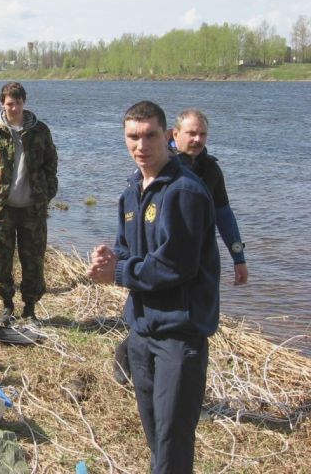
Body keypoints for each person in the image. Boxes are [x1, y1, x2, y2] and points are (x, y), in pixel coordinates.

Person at [87, 100, 220, 474]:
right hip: (142, 329)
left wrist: (119, 273)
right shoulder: (132, 190)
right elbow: (128, 251)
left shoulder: (185, 192)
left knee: (172, 439)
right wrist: (109, 260)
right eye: (133, 137)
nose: (141, 146)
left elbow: (176, 265)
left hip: (180, 332)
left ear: (169, 137)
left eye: (150, 136)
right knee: (153, 430)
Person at [0, 82, 58, 325]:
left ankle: (29, 308)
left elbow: (51, 163)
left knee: (33, 259)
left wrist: (48, 192)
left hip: (32, 208)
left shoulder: (40, 131)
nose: (14, 108)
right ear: (2, 104)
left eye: (18, 103)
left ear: (24, 103)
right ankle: (6, 305)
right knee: (0, 259)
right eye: (9, 104)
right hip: (2, 209)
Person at [172, 109, 249, 285]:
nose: (197, 139)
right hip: (165, 258)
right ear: (176, 134)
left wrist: (239, 258)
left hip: (203, 257)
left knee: (205, 311)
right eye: (191, 133)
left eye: (202, 134)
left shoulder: (211, 169)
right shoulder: (160, 166)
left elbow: (224, 215)